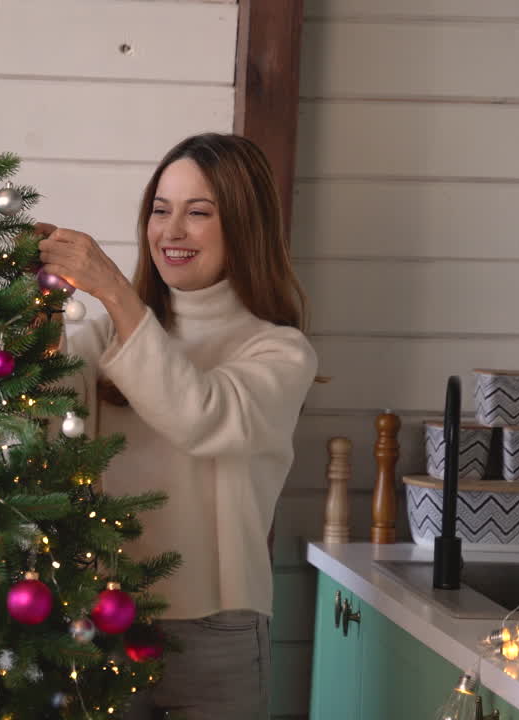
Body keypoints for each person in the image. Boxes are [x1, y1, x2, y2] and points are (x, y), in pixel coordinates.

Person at [38, 133, 318, 720]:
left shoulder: (280, 352)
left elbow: (200, 415)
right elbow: (41, 427)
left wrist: (112, 289)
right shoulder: (106, 338)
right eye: (160, 211)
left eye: (198, 213)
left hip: (220, 629)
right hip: (103, 618)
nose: (171, 232)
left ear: (243, 225)